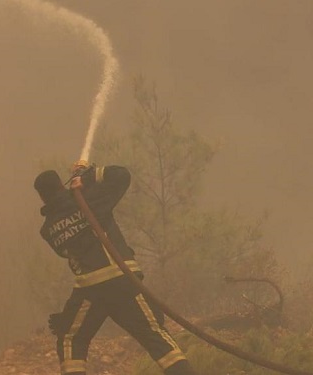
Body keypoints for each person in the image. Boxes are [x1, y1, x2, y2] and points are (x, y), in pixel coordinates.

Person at [34, 161, 197, 375]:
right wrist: (89, 176)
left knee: (71, 339)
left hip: (90, 291)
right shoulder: (88, 200)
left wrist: (81, 186)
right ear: (61, 186)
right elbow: (121, 175)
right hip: (123, 282)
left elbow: (68, 243)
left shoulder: (48, 230)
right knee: (154, 335)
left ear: (43, 197)